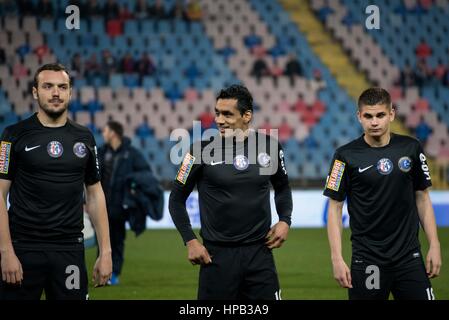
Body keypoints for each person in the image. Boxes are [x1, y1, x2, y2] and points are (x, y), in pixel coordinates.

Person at [169, 84, 293, 300]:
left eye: (227, 114)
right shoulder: (199, 151)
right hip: (217, 257)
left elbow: (282, 187)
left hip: (260, 253)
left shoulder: (269, 147)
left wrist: (285, 220)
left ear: (247, 116)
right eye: (217, 113)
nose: (219, 120)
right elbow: (176, 199)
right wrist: (190, 240)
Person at [0, 63, 112, 300]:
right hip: (23, 248)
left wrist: (106, 252)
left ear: (70, 92)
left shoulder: (84, 137)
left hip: (69, 249)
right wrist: (6, 251)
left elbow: (94, 194)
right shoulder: (12, 136)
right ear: (34, 91)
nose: (55, 93)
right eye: (48, 86)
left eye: (62, 87)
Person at [324, 87, 441, 300]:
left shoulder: (411, 148)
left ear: (392, 115)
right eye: (368, 116)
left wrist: (434, 244)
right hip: (367, 261)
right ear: (359, 117)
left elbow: (422, 198)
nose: (374, 122)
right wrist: (337, 258)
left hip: (409, 259)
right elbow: (335, 208)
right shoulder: (344, 156)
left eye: (380, 115)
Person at [98, 121, 154, 285]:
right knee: (102, 240)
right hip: (101, 205)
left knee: (116, 239)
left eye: (105, 130)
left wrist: (132, 188)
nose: (103, 133)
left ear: (113, 133)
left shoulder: (131, 153)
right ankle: (101, 270)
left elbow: (145, 174)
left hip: (119, 206)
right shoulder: (101, 152)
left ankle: (113, 273)